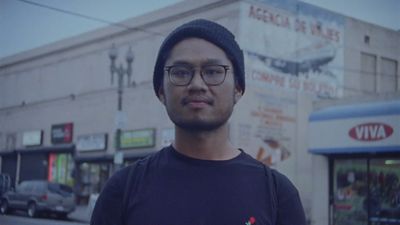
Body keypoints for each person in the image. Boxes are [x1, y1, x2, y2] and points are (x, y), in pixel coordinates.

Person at [91, 19, 306, 225]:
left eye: (213, 72)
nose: (196, 84)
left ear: (238, 89)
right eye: (181, 72)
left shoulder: (278, 194)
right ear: (161, 92)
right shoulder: (122, 190)